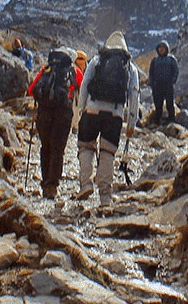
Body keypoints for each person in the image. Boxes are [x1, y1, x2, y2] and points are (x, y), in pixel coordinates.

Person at [73, 31, 140, 206]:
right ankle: (105, 196)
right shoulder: (130, 66)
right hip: (115, 114)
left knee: (86, 147)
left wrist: (81, 110)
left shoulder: (97, 60)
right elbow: (134, 95)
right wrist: (131, 124)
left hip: (92, 109)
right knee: (107, 152)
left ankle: (85, 184)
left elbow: (85, 85)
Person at [27, 47, 84, 199]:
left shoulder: (46, 69)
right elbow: (84, 88)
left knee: (45, 147)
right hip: (63, 114)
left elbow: (31, 90)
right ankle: (52, 185)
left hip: (43, 114)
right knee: (58, 149)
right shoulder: (74, 71)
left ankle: (45, 182)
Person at [148, 41, 180, 125]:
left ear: (167, 49)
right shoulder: (155, 61)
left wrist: (173, 81)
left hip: (168, 85)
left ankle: (171, 119)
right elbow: (151, 73)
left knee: (170, 103)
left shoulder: (171, 59)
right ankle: (157, 120)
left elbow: (176, 71)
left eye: (163, 48)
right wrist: (152, 84)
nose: (161, 50)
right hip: (157, 85)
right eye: (160, 48)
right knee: (158, 104)